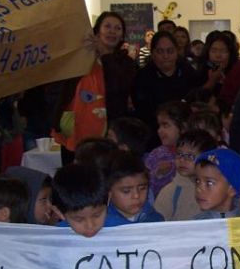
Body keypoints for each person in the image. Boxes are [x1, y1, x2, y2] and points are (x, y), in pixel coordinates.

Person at [52, 11, 135, 164]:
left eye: (117, 28)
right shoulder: (81, 58)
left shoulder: (126, 63)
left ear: (122, 35)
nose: (112, 31)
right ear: (97, 31)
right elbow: (63, 89)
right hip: (75, 129)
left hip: (108, 131)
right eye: (107, 26)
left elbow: (117, 88)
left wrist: (105, 55)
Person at [132, 31, 198, 134]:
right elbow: (143, 110)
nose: (165, 56)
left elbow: (195, 98)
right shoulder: (143, 76)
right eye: (160, 51)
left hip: (186, 131)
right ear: (152, 53)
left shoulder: (187, 71)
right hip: (154, 132)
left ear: (177, 52)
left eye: (170, 51)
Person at [154, 130, 216, 221]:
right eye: (179, 154)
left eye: (189, 156)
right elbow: (156, 226)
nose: (182, 160)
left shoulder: (216, 188)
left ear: (207, 158)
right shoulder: (170, 192)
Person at [52, 163, 117, 238]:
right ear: (59, 212)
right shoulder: (58, 237)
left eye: (97, 215)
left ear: (108, 199)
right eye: (79, 219)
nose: (90, 226)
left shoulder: (121, 229)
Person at [144, 101, 191, 196]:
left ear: (183, 127)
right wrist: (158, 174)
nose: (159, 130)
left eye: (166, 125)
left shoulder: (194, 153)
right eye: (159, 126)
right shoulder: (156, 155)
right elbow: (146, 188)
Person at [104, 150, 164, 224]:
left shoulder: (156, 220)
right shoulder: (101, 225)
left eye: (142, 188)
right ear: (109, 192)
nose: (136, 195)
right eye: (126, 191)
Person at [193, 148, 240, 219]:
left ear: (232, 189)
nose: (199, 189)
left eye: (209, 183)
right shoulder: (195, 225)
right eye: (197, 181)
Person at [196, 31, 239, 97]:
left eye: (223, 51)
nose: (218, 55)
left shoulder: (238, 71)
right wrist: (212, 81)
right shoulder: (200, 71)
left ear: (230, 53)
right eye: (213, 51)